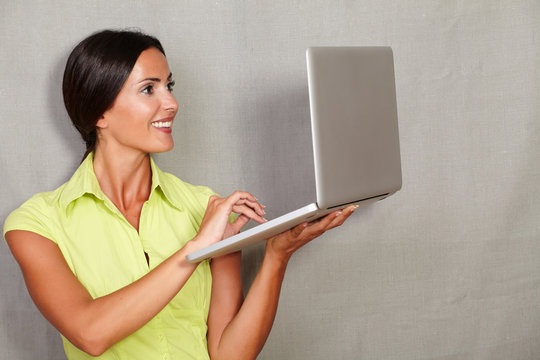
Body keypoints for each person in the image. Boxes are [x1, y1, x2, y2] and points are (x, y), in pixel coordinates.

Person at [3, 29, 358, 360]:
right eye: (149, 89)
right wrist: (196, 249)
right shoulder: (36, 224)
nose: (171, 103)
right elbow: (91, 333)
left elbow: (229, 354)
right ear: (100, 111)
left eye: (169, 86)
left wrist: (277, 256)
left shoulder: (207, 208)